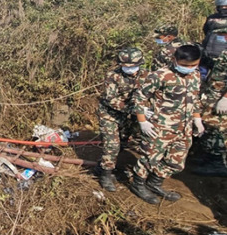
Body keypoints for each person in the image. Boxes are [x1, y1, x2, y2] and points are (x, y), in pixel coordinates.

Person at [132, 45, 204, 204]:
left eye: (194, 65)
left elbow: (195, 99)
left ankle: (154, 183)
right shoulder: (160, 76)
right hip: (160, 127)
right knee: (149, 158)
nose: (189, 68)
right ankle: (138, 184)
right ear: (175, 60)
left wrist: (197, 119)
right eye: (185, 65)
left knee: (176, 162)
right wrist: (142, 121)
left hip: (184, 128)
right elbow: (139, 98)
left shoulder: (195, 76)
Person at [96, 48, 148, 192]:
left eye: (133, 66)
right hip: (109, 114)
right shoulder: (113, 76)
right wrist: (137, 111)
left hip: (130, 117)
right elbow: (110, 99)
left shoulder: (146, 76)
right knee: (112, 144)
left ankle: (106, 165)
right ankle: (105, 174)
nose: (129, 69)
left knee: (125, 142)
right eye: (126, 66)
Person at [195, 29, 227, 177]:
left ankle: (217, 164)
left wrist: (225, 98)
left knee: (218, 128)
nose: (221, 38)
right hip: (215, 93)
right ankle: (208, 158)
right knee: (210, 124)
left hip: (222, 98)